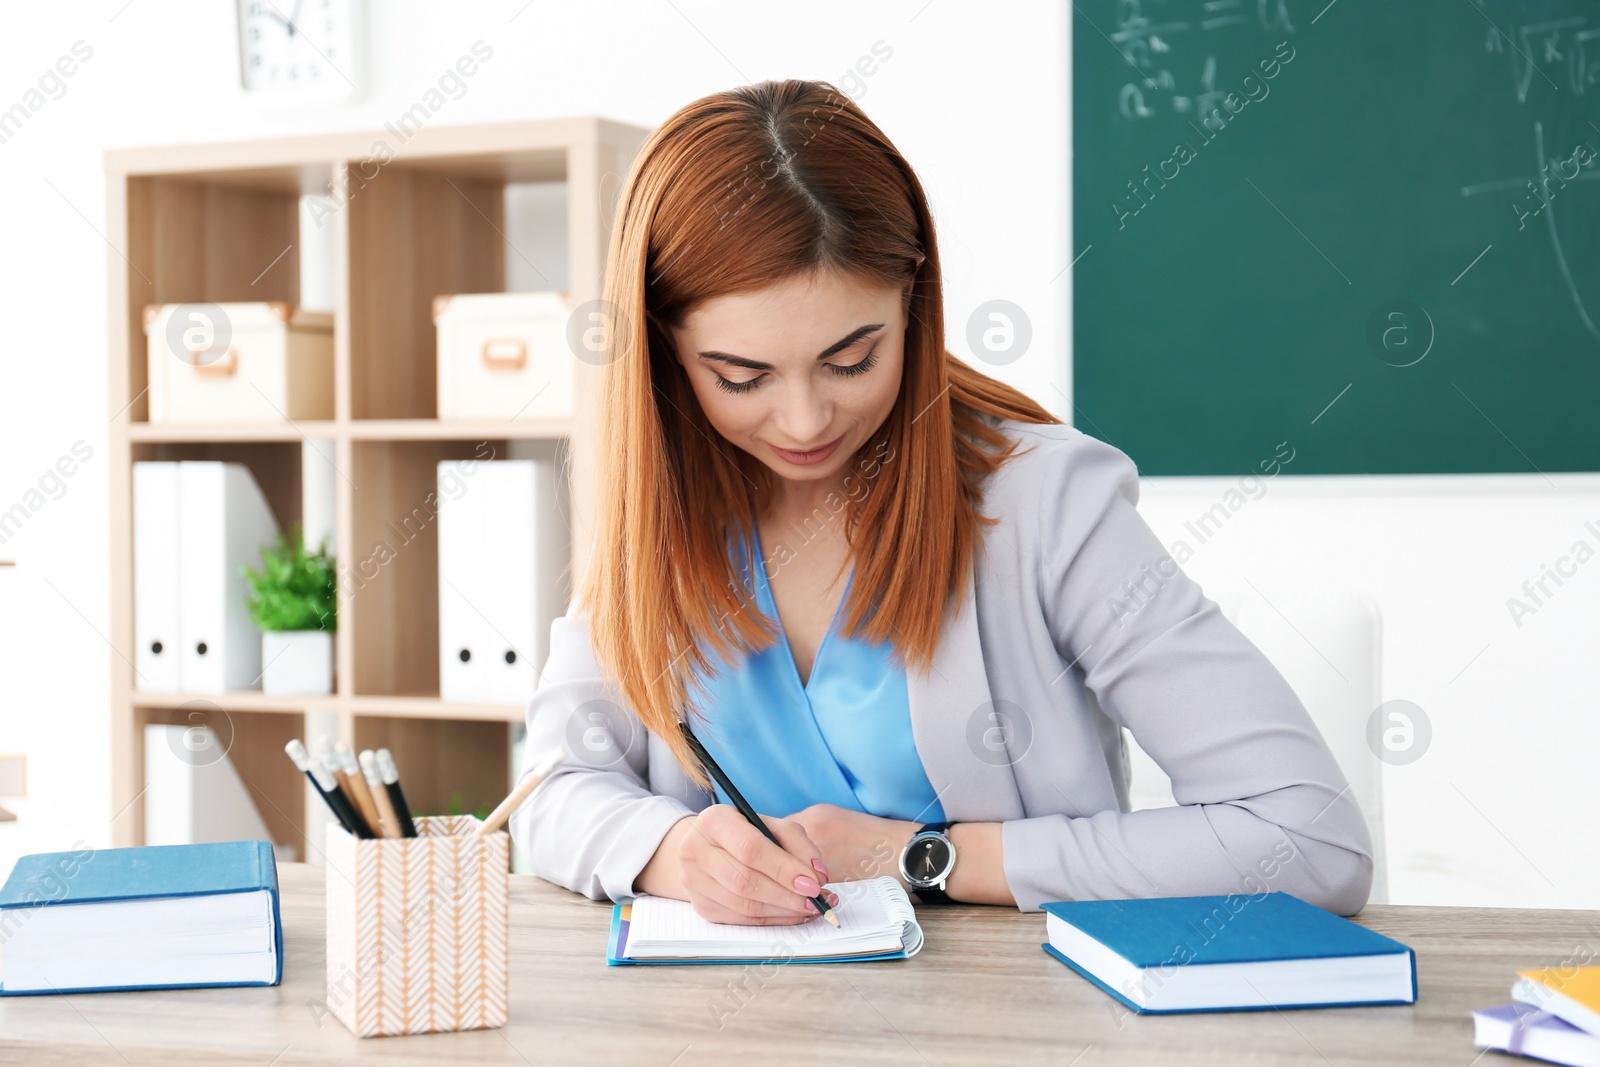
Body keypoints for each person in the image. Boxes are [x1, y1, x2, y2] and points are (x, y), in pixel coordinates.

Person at [509, 79, 1372, 926]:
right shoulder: (665, 502)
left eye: (852, 361)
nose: (806, 420)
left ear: (915, 303)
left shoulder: (1044, 503)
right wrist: (669, 850)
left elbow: (1308, 837)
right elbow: (550, 792)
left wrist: (929, 858)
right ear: (664, 353)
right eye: (742, 376)